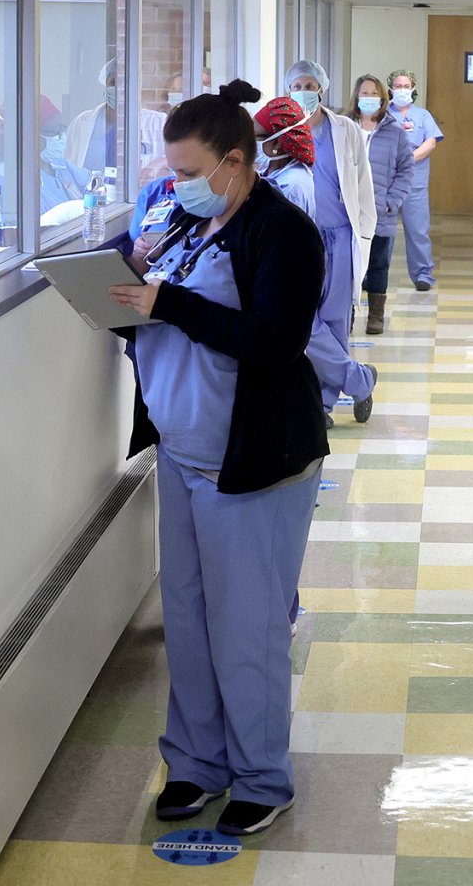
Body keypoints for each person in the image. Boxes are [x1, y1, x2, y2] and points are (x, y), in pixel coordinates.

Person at [106, 80, 329, 837]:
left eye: (191, 171)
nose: (178, 185)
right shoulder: (175, 222)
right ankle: (196, 764)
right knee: (191, 621)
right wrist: (126, 279)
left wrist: (168, 303)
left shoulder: (283, 232)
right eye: (171, 170)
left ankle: (263, 777)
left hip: (255, 464)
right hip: (183, 455)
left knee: (249, 627)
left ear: (235, 163)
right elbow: (148, 318)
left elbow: (275, 343)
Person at [285, 59, 378, 425]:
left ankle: (321, 406)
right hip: (300, 240)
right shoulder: (283, 132)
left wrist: (365, 235)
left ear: (321, 88)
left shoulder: (345, 130)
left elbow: (362, 188)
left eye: (310, 85)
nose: (304, 92)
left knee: (335, 322)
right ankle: (359, 379)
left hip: (340, 238)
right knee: (304, 322)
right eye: (296, 86)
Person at [347, 74, 414, 335]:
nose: (369, 98)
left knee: (377, 264)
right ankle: (347, 314)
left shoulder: (394, 133)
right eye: (364, 93)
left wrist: (391, 202)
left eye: (374, 94)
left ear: (383, 98)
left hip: (380, 211)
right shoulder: (344, 128)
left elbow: (406, 171)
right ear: (356, 97)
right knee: (349, 266)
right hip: (348, 211)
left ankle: (376, 315)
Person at [386, 69, 445, 290]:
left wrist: (408, 159)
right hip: (387, 181)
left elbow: (430, 142)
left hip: (414, 180)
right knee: (382, 229)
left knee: (417, 229)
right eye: (398, 86)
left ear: (413, 88)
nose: (402, 90)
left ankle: (422, 274)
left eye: (406, 86)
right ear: (390, 89)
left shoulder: (423, 116)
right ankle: (373, 273)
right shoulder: (382, 115)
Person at [250, 94, 317, 218]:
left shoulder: (290, 187)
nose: (250, 142)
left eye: (256, 136)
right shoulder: (271, 171)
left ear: (277, 143)